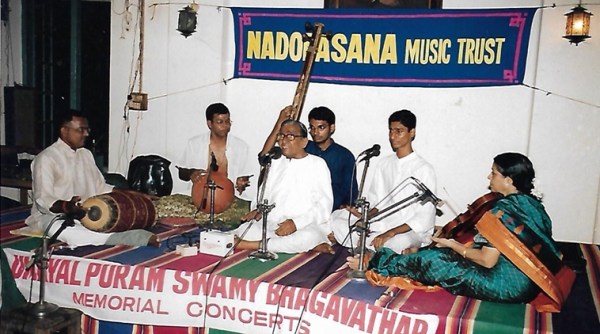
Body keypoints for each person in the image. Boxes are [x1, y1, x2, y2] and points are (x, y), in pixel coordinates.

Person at [350, 152, 567, 304]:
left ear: (508, 180)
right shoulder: (534, 206)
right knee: (447, 252)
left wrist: (453, 245)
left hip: (506, 286)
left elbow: (486, 260)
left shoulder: (502, 211)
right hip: (530, 282)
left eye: (493, 173)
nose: (488, 177)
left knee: (437, 261)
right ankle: (409, 255)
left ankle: (376, 261)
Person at [25, 110, 159, 247]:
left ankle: (110, 234)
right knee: (66, 231)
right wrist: (67, 207)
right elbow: (43, 199)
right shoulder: (46, 158)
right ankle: (126, 238)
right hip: (54, 217)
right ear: (64, 131)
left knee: (119, 217)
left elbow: (100, 187)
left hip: (88, 214)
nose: (86, 134)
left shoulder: (85, 154)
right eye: (81, 130)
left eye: (87, 129)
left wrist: (133, 194)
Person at [329, 109, 437, 254]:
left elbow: (425, 216)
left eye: (399, 131)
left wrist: (391, 233)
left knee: (399, 242)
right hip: (382, 224)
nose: (393, 136)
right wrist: (363, 217)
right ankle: (376, 249)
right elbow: (377, 203)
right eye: (391, 131)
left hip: (407, 230)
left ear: (412, 132)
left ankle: (381, 249)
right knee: (337, 219)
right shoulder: (384, 164)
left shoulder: (424, 169)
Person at [232, 119, 333, 253]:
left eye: (290, 136)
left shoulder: (317, 164)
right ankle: (291, 246)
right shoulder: (275, 162)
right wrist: (258, 210)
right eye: (281, 136)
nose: (283, 141)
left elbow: (324, 207)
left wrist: (295, 224)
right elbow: (264, 192)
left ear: (304, 142)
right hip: (272, 224)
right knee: (245, 230)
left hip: (302, 226)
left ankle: (251, 245)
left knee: (307, 237)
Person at [179, 103, 255, 201]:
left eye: (228, 121)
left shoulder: (241, 147)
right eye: (220, 122)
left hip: (229, 198)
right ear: (210, 124)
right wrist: (191, 173)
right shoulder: (195, 143)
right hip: (198, 196)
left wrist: (242, 182)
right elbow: (181, 173)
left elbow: (244, 177)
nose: (225, 125)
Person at [305, 106, 359, 211]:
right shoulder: (304, 149)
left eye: (321, 128)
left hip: (333, 210)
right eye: (312, 127)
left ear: (332, 128)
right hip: (304, 207)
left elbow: (351, 192)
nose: (315, 132)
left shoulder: (344, 156)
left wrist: (343, 206)